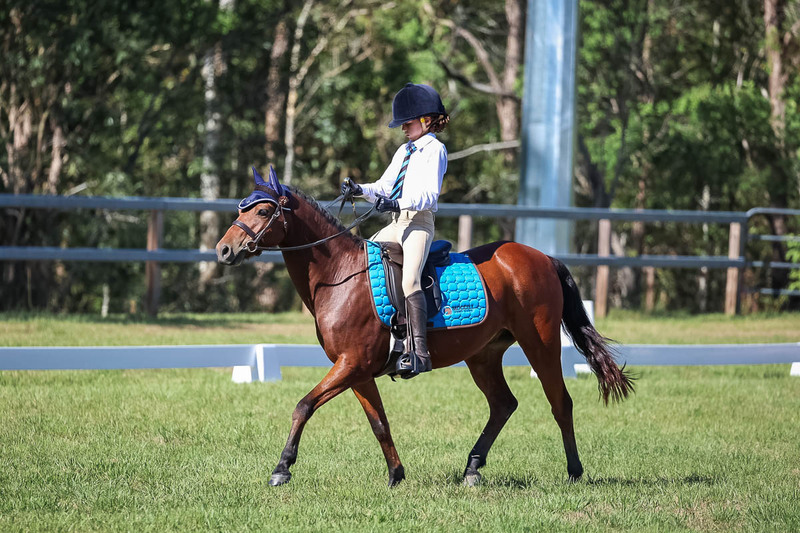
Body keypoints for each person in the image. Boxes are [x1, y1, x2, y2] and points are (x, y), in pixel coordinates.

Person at [342, 82, 449, 378]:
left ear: (426, 120)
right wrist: (359, 189)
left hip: (418, 224)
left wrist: (397, 203)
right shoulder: (405, 150)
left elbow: (429, 194)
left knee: (410, 280)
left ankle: (418, 353)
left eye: (408, 122)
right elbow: (383, 187)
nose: (403, 127)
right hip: (396, 224)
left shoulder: (435, 150)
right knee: (363, 259)